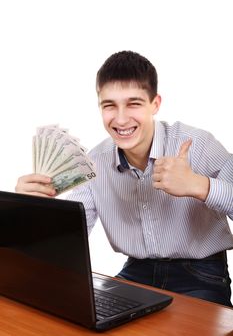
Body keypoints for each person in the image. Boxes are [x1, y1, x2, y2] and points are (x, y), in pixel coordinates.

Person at [15, 50, 233, 307]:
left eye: (133, 103)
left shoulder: (199, 144)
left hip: (200, 274)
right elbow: (66, 239)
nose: (120, 119)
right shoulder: (94, 163)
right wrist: (29, 211)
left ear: (155, 104)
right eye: (109, 105)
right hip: (136, 272)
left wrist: (200, 186)